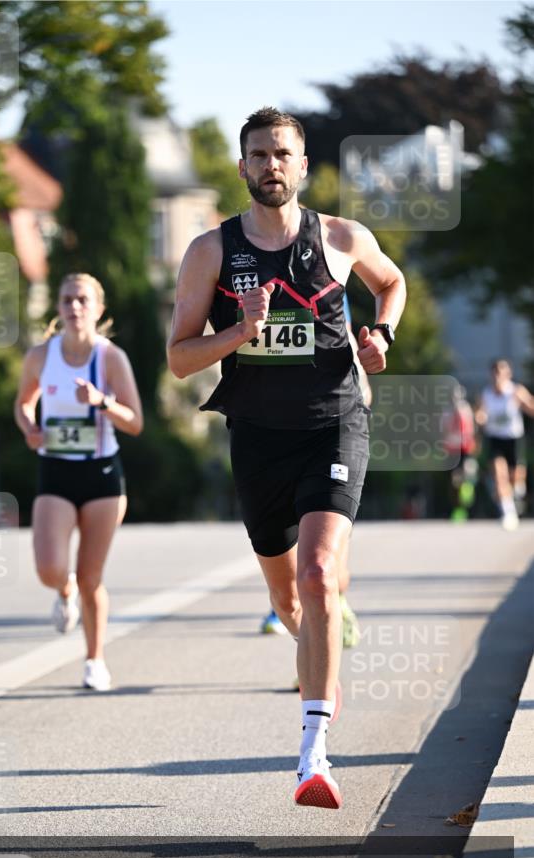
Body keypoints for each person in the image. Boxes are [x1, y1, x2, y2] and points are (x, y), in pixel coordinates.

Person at [168, 108, 405, 808]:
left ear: (302, 167)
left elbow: (388, 283)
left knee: (320, 571)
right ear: (241, 168)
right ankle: (322, 624)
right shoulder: (209, 253)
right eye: (257, 155)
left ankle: (313, 754)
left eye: (282, 154)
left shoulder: (340, 237)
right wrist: (239, 331)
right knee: (287, 598)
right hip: (258, 438)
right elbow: (180, 359)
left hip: (334, 423)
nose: (270, 165)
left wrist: (381, 336)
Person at [15, 272, 143, 690]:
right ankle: (62, 589)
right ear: (57, 307)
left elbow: (136, 422)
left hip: (102, 473)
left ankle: (94, 660)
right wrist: (29, 427)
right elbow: (23, 404)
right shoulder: (40, 355)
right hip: (56, 470)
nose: (74, 308)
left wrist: (102, 401)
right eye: (67, 299)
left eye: (83, 300)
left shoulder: (110, 358)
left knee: (92, 577)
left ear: (98, 309)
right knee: (49, 568)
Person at [260, 291, 368, 647]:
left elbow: (350, 348)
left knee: (328, 562)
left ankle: (331, 613)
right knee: (290, 546)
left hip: (332, 432)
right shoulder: (256, 287)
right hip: (275, 434)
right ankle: (294, 612)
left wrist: (355, 404)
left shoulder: (328, 286)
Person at [475, 358, 534, 530]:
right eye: (494, 373)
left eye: (500, 373)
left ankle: (517, 491)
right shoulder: (486, 394)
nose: (497, 377)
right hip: (495, 439)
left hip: (513, 439)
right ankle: (508, 512)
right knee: (499, 475)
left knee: (515, 478)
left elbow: (530, 406)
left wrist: (527, 405)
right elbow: (480, 414)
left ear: (508, 374)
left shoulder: (516, 391)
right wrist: (480, 418)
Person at [441, 383, 478, 522]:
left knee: (467, 478)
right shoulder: (446, 411)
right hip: (452, 449)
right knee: (455, 481)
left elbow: (471, 428)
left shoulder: (466, 408)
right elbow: (444, 430)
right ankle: (458, 508)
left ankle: (467, 504)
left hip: (465, 448)